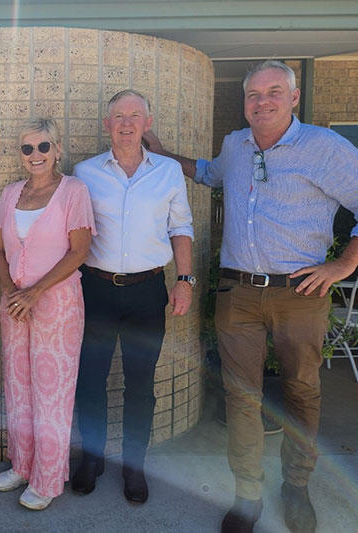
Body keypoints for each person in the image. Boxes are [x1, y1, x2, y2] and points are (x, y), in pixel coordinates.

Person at [144, 60, 358, 533]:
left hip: (299, 293)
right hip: (237, 292)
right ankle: (247, 493)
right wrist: (160, 153)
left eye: (274, 92)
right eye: (253, 94)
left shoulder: (325, 149)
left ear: (294, 97)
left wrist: (341, 266)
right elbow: (208, 174)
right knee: (242, 396)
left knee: (302, 390)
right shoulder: (235, 145)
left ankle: (296, 486)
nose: (262, 102)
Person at [73, 89, 194, 505]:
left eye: (135, 115)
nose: (126, 123)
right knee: (89, 381)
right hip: (96, 290)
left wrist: (185, 279)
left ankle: (134, 466)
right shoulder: (83, 172)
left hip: (148, 292)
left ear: (147, 123)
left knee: (140, 385)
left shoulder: (168, 172)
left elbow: (182, 227)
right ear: (107, 125)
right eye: (119, 116)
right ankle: (91, 460)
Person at [0, 118, 95, 510]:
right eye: (27, 148)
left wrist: (35, 291)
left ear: (57, 150)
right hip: (15, 304)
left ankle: (48, 479)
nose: (36, 155)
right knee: (18, 388)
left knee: (52, 393)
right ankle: (22, 464)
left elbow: (79, 251)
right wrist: (10, 292)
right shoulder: (11, 192)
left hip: (57, 304)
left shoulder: (73, 191)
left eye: (43, 147)